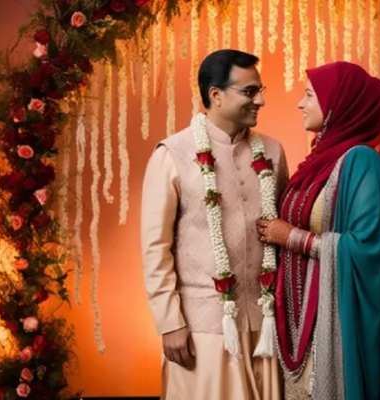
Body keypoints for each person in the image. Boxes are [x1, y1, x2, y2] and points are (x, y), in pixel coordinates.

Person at [256, 62, 380, 400]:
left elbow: (370, 249)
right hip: (299, 317)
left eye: (310, 95)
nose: (300, 103)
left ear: (337, 105)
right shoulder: (319, 163)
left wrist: (293, 238)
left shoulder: (362, 162)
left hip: (333, 319)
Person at [141, 49, 288, 400]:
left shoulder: (272, 152)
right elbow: (155, 248)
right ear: (215, 95)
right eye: (250, 91)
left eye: (260, 90)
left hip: (266, 328)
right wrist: (170, 323)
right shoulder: (173, 154)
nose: (261, 100)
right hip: (202, 330)